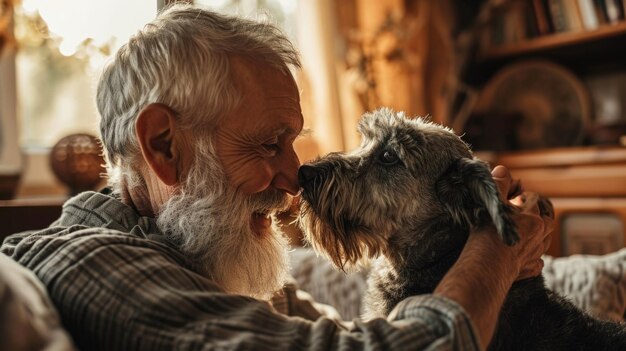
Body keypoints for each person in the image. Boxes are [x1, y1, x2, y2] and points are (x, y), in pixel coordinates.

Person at [0, 4, 553, 350]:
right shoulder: (96, 264)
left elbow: (342, 335)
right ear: (164, 146)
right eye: (268, 144)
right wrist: (495, 251)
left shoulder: (206, 257)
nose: (295, 177)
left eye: (291, 142)